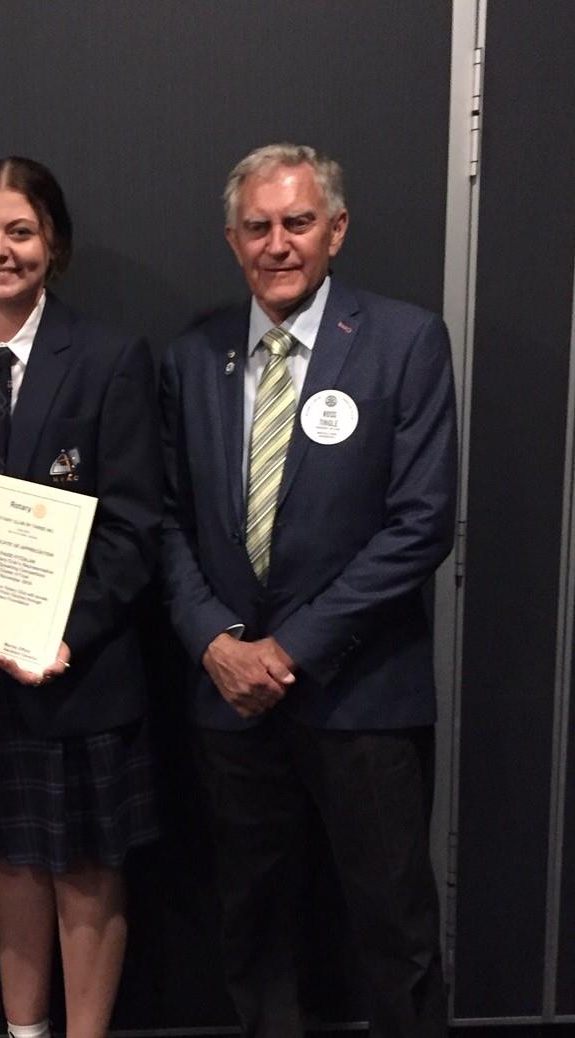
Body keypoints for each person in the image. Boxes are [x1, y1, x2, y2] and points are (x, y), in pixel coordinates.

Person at [161, 142, 456, 1037]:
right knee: (252, 925)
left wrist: (288, 650)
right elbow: (164, 521)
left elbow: (421, 524)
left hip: (362, 693)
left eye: (297, 222)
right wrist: (216, 642)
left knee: (394, 929)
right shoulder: (192, 355)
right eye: (257, 226)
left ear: (337, 228)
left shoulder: (405, 342)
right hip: (231, 701)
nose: (277, 243)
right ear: (232, 239)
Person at [0, 156, 161, 1038]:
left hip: (77, 665)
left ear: (54, 243)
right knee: (9, 855)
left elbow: (134, 525)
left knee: (84, 862)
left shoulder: (109, 357)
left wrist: (67, 634)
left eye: (19, 231)